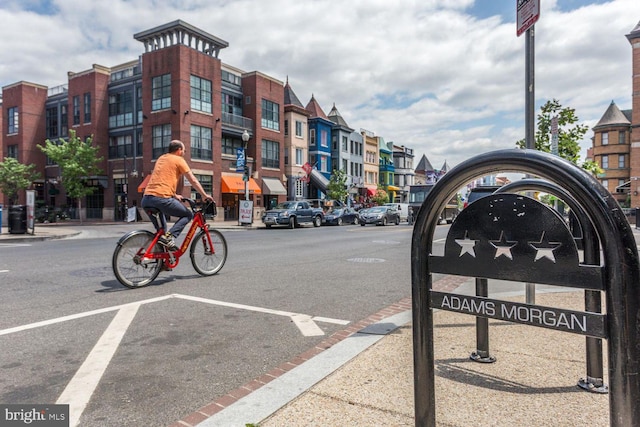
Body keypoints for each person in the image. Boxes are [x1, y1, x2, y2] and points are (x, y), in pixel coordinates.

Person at [141, 140, 212, 250]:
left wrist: (174, 194)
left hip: (146, 199)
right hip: (161, 199)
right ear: (179, 150)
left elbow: (160, 179)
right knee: (187, 215)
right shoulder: (179, 160)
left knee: (161, 233)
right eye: (184, 150)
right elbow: (192, 179)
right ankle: (171, 237)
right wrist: (204, 194)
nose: (184, 152)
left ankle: (162, 262)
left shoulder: (161, 158)